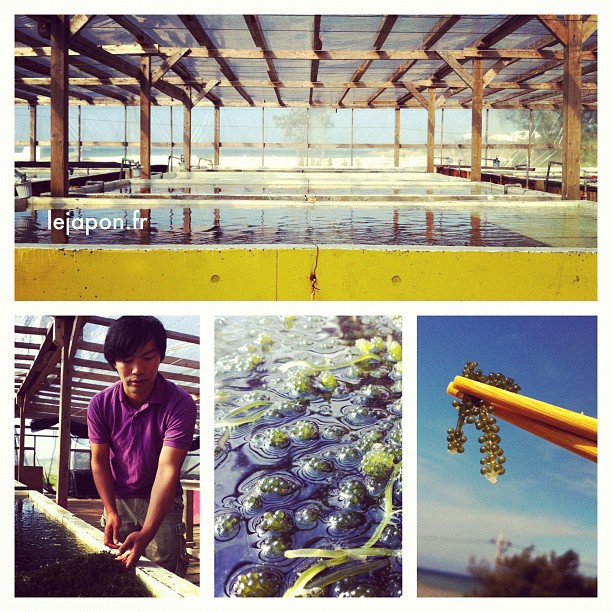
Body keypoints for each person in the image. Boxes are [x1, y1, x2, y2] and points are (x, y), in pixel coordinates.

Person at [87, 316, 197, 577]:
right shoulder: (100, 405)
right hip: (119, 498)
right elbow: (99, 461)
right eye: (127, 360)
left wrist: (148, 531)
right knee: (116, 567)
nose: (137, 369)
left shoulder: (180, 403)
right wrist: (110, 510)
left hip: (162, 500)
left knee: (164, 570)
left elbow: (167, 469)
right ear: (114, 361)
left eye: (147, 357)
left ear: (161, 356)